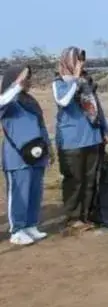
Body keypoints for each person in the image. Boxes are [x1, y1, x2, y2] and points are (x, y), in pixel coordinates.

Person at [53, 47, 108, 231]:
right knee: (74, 180)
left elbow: (95, 105)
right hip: (71, 141)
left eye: (82, 60)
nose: (82, 64)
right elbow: (63, 101)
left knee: (90, 179)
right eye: (78, 60)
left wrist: (105, 127)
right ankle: (72, 218)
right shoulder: (59, 83)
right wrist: (76, 80)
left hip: (92, 137)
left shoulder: (87, 81)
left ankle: (87, 215)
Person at [1, 66, 51, 245]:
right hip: (16, 157)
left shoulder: (30, 102)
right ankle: (17, 230)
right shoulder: (8, 102)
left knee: (34, 191)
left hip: (37, 154)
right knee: (19, 193)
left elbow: (42, 126)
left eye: (28, 78)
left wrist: (48, 149)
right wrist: (15, 86)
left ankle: (30, 224)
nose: (28, 81)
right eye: (24, 78)